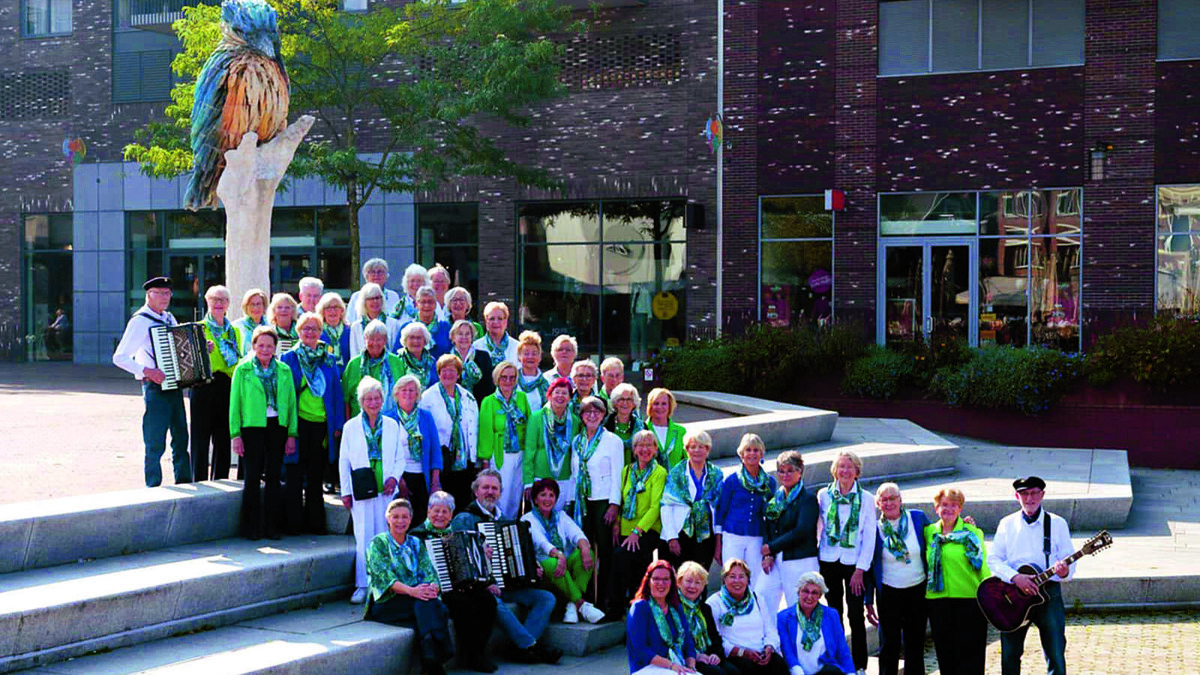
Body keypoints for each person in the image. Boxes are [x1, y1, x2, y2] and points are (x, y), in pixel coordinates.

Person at [450, 469, 562, 665]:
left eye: (495, 488)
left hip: (508, 586)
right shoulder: (464, 519)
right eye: (485, 487)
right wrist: (485, 582)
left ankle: (518, 647)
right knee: (494, 602)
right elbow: (461, 561)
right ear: (476, 491)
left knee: (546, 598)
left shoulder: (504, 519)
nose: (490, 492)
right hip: (480, 588)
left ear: (500, 492)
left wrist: (530, 566)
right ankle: (530, 646)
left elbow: (517, 552)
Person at [988, 476, 1074, 675]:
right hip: (1014, 596)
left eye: (1034, 493)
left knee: (1055, 653)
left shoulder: (1057, 523)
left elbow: (1070, 561)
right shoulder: (1006, 524)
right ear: (1016, 496)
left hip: (1048, 595)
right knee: (1010, 654)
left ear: (1042, 495)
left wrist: (1065, 571)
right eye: (1024, 494)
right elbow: (994, 560)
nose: (1029, 498)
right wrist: (1015, 578)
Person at [112, 276, 193, 487]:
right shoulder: (140, 321)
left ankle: (184, 482)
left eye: (168, 293)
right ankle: (153, 486)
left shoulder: (168, 318)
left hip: (174, 386)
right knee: (155, 442)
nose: (165, 297)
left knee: (181, 438)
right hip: (154, 387)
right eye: (160, 293)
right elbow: (119, 357)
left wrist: (199, 348)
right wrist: (145, 370)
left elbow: (178, 347)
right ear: (149, 295)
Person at [409, 491, 498, 674]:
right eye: (436, 511)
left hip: (459, 585)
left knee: (487, 601)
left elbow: (472, 561)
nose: (440, 515)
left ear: (451, 515)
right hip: (435, 589)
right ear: (428, 511)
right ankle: (471, 655)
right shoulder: (417, 536)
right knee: (463, 605)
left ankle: (478, 652)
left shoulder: (457, 534)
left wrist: (483, 555)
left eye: (445, 512)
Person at [365, 498, 454, 675]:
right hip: (386, 602)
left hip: (415, 597)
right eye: (395, 516)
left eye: (405, 517)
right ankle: (442, 653)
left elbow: (429, 570)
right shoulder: (378, 543)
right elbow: (385, 579)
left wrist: (433, 587)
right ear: (388, 518)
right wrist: (413, 591)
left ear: (411, 519)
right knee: (434, 606)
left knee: (427, 603)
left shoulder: (415, 542)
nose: (400, 521)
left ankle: (430, 659)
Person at [230, 325, 298, 540]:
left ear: (275, 348)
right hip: (252, 427)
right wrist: (235, 434)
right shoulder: (243, 370)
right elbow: (235, 404)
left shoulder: (284, 370)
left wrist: (291, 434)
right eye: (261, 345)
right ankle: (250, 527)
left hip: (277, 426)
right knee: (251, 476)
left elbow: (291, 403)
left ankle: (271, 526)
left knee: (273, 477)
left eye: (270, 346)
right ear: (254, 346)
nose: (265, 349)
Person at [280, 312, 345, 535]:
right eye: (305, 328)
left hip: (321, 426)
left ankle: (316, 524)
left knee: (316, 475)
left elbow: (336, 391)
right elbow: (284, 394)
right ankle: (293, 524)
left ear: (320, 332)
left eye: (314, 329)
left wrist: (337, 424)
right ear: (298, 331)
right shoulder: (289, 358)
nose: (310, 332)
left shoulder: (328, 358)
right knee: (295, 474)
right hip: (297, 424)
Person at [340, 377, 403, 604]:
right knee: (364, 538)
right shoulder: (351, 427)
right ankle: (362, 585)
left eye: (377, 398)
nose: (373, 403)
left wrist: (394, 478)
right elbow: (343, 460)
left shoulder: (393, 425)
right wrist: (345, 491)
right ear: (361, 402)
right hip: (361, 490)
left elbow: (399, 457)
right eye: (368, 399)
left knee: (386, 536)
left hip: (385, 490)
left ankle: (386, 584)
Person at [816, 450, 876, 674]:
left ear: (857, 472)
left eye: (849, 467)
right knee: (833, 612)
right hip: (829, 560)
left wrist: (861, 570)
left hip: (855, 564)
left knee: (855, 615)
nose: (845, 471)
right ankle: (838, 661)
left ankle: (859, 665)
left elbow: (869, 537)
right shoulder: (824, 495)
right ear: (834, 470)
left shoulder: (867, 499)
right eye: (841, 466)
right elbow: (818, 528)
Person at [864, 483, 929, 675]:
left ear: (901, 500)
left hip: (917, 589)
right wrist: (868, 600)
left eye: (893, 498)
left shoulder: (917, 518)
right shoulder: (874, 529)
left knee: (915, 643)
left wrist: (966, 527)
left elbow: (939, 535)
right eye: (884, 499)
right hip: (889, 593)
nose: (889, 502)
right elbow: (869, 567)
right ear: (878, 503)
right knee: (889, 645)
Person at [924, 487, 989, 675]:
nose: (949, 509)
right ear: (936, 508)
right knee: (946, 656)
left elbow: (982, 566)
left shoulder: (972, 532)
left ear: (960, 509)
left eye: (954, 505)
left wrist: (991, 594)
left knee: (971, 657)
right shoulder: (929, 533)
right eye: (944, 505)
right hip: (938, 602)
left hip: (970, 600)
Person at [522, 477, 605, 624]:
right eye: (542, 495)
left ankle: (572, 605)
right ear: (535, 500)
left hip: (563, 565)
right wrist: (558, 554)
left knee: (586, 555)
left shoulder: (561, 516)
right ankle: (581, 605)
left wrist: (585, 547)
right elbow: (541, 543)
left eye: (551, 495)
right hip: (542, 569)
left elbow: (577, 534)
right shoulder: (527, 519)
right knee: (553, 563)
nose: (547, 499)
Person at [569, 395, 623, 610]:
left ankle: (605, 599)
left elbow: (618, 475)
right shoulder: (577, 441)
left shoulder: (613, 441)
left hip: (603, 502)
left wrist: (613, 505)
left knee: (606, 553)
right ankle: (588, 595)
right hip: (583, 503)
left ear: (603, 415)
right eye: (587, 412)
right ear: (581, 416)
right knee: (586, 550)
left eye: (597, 412)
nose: (592, 416)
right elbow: (575, 474)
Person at [610, 430, 669, 610]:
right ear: (634, 450)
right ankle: (626, 607)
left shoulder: (659, 473)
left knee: (624, 559)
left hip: (647, 530)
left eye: (649, 445)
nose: (645, 449)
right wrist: (617, 523)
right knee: (626, 567)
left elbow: (655, 507)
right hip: (625, 528)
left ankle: (623, 607)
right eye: (640, 445)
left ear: (655, 449)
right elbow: (621, 499)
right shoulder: (627, 471)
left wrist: (637, 531)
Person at [756, 451, 820, 613]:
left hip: (800, 560)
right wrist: (768, 554)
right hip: (776, 559)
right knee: (762, 594)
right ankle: (771, 637)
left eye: (790, 470)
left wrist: (771, 547)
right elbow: (768, 526)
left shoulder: (808, 499)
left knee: (797, 606)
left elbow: (802, 531)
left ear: (800, 472)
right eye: (781, 471)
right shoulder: (775, 499)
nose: (785, 475)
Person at [192, 284, 240, 481]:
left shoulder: (233, 330)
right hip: (204, 385)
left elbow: (237, 359)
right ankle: (200, 480)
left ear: (228, 304)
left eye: (223, 300)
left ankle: (220, 477)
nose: (219, 304)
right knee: (201, 436)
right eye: (215, 300)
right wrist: (202, 352)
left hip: (226, 385)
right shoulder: (198, 329)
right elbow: (188, 362)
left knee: (223, 436)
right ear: (207, 302)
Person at [706, 559, 787, 675]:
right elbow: (715, 638)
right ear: (724, 579)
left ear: (748, 579)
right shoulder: (714, 602)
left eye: (741, 577)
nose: (737, 581)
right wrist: (742, 652)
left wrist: (769, 648)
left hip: (761, 653)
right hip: (735, 656)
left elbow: (770, 629)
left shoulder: (757, 598)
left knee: (779, 665)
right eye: (732, 577)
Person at [420, 354, 479, 510]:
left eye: (452, 370)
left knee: (462, 502)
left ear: (459, 374)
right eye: (443, 370)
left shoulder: (468, 397)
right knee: (442, 503)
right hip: (441, 459)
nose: (448, 374)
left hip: (464, 461)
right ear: (438, 373)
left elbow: (473, 429)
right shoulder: (427, 398)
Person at [714, 433, 776, 582]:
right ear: (741, 454)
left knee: (754, 580)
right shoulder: (731, 480)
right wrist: (718, 544)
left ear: (762, 453)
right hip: (732, 536)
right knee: (731, 577)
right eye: (748, 450)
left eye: (756, 450)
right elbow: (720, 511)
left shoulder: (769, 482)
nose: (752, 453)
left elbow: (772, 515)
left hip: (756, 536)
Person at [382, 374, 442, 525]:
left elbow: (435, 450)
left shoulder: (426, 417)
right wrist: (400, 481)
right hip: (399, 477)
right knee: (400, 521)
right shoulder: (388, 418)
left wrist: (435, 482)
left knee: (421, 520)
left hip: (423, 477)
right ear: (396, 394)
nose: (407, 393)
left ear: (417, 394)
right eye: (404, 390)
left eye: (412, 390)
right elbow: (386, 454)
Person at [661, 429, 722, 572]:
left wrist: (718, 542)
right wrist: (672, 537)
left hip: (706, 535)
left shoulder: (716, 474)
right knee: (682, 578)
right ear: (686, 449)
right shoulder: (677, 473)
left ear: (708, 450)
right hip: (680, 533)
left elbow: (719, 508)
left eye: (701, 447)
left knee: (701, 577)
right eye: (693, 447)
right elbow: (666, 506)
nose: (697, 451)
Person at [477, 361, 531, 518]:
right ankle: (498, 528)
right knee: (502, 495)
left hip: (520, 454)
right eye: (504, 377)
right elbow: (485, 432)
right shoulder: (489, 401)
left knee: (516, 497)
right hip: (500, 454)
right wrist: (486, 461)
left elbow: (528, 426)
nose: (508, 381)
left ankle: (512, 531)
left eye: (512, 378)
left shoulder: (522, 398)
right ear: (497, 379)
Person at [626, 559, 698, 675]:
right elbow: (640, 650)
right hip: (647, 667)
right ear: (648, 582)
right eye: (656, 579)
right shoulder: (640, 608)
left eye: (666, 579)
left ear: (672, 583)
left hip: (677, 664)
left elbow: (688, 642)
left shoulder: (676, 608)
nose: (661, 583)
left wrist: (691, 667)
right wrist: (671, 665)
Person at [776, 571, 855, 675]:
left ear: (820, 595)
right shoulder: (784, 617)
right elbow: (788, 652)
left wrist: (851, 673)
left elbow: (842, 649)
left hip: (823, 671)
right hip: (797, 671)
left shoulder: (831, 615)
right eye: (805, 591)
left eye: (814, 593)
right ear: (798, 592)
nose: (809, 596)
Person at [522, 377, 578, 502]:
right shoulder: (536, 418)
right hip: (540, 477)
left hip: (565, 478)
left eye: (564, 393)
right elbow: (529, 451)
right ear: (549, 395)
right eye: (557, 392)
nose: (560, 396)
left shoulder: (575, 421)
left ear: (569, 398)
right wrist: (528, 482)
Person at [676, 561, 738, 675]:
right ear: (679, 582)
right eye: (688, 581)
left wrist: (716, 655)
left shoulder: (704, 608)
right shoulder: (673, 608)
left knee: (734, 671)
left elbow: (715, 637)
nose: (693, 586)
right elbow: (675, 641)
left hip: (708, 656)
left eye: (698, 583)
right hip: (686, 658)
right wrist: (696, 656)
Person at [342, 320, 404, 419]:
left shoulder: (396, 362)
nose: (375, 343)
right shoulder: (354, 364)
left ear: (385, 341)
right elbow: (346, 399)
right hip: (359, 421)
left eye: (379, 339)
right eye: (371, 339)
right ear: (364, 339)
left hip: (391, 420)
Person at [349, 283, 402, 360]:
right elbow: (354, 354)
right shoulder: (356, 326)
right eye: (371, 298)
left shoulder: (393, 324)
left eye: (377, 298)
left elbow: (396, 353)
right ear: (364, 302)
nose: (375, 301)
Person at [398, 286, 450, 359]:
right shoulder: (406, 328)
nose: (427, 305)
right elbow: (397, 355)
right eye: (423, 302)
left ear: (435, 304)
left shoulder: (445, 327)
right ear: (416, 304)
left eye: (430, 302)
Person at [448, 318, 493, 402]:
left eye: (467, 334)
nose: (464, 337)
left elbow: (489, 387)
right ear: (453, 337)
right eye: (460, 334)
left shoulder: (483, 357)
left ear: (472, 337)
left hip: (479, 405)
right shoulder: (447, 359)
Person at [347, 258, 401, 324]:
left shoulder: (393, 296)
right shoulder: (356, 297)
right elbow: (350, 321)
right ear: (366, 276)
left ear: (386, 276)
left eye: (380, 272)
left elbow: (397, 321)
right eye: (372, 272)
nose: (376, 275)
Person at [645, 388, 687, 468]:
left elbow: (688, 461)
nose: (660, 407)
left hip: (675, 479)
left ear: (670, 406)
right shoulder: (642, 430)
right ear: (650, 406)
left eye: (664, 404)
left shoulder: (680, 431)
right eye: (656, 403)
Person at [604, 382, 645, 465]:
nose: (625, 403)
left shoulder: (642, 427)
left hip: (634, 474)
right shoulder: (604, 426)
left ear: (634, 403)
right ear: (615, 403)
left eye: (629, 399)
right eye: (621, 399)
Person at [473, 301, 520, 367]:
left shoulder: (517, 347)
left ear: (506, 321)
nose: (496, 322)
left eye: (500, 319)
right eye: (492, 319)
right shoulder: (476, 347)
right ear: (486, 321)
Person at [397, 321, 438, 390]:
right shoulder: (398, 360)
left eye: (419, 338)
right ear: (405, 340)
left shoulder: (432, 361)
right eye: (412, 338)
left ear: (425, 341)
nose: (415, 341)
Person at [317, 292, 351, 372]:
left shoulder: (350, 331)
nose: (333, 311)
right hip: (325, 378)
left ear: (342, 310)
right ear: (322, 311)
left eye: (336, 307)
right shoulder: (317, 331)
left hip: (347, 375)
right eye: (328, 308)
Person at [515, 330, 548, 412]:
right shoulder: (512, 380)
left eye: (534, 353)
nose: (530, 357)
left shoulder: (545, 384)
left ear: (540, 357)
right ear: (519, 357)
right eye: (526, 353)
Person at [234, 288, 268, 354]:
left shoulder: (271, 326)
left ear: (264, 306)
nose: (255, 308)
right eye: (252, 304)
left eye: (258, 304)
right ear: (246, 307)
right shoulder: (236, 326)